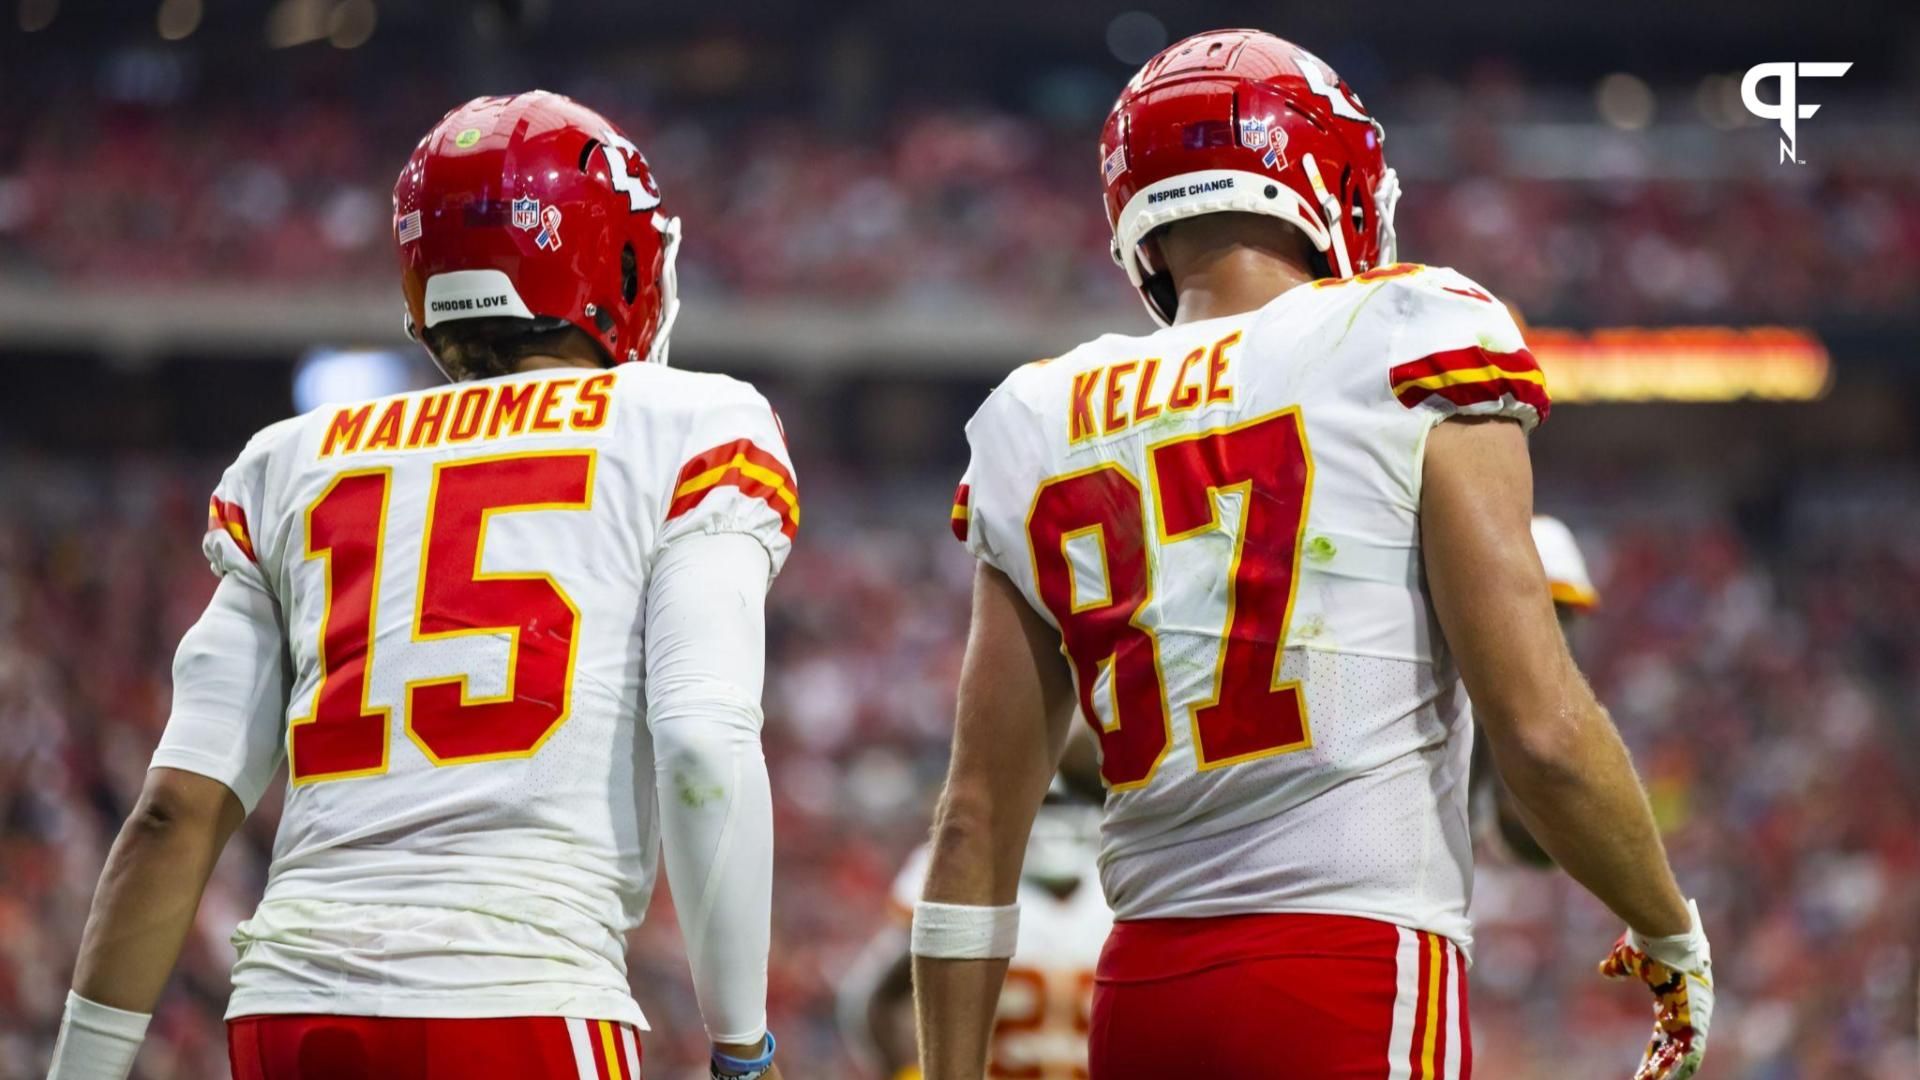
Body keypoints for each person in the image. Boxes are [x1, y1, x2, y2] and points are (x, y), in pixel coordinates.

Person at [909, 30, 1712, 1080]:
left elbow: (972, 829)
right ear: (1324, 174)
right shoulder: (1407, 330)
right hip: (1350, 965)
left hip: (1142, 997)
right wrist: (1669, 934)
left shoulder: (1037, 415)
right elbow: (1542, 732)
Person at [49, 92, 790, 1080]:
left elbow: (172, 813)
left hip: (291, 1013)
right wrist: (744, 1048)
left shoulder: (292, 459)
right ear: (613, 256)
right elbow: (702, 744)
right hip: (519, 994)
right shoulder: (692, 419)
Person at [846, 769, 1109, 1080]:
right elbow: (877, 1002)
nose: (1051, 828)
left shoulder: (1114, 891)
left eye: (1057, 808)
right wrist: (908, 1073)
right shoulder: (966, 882)